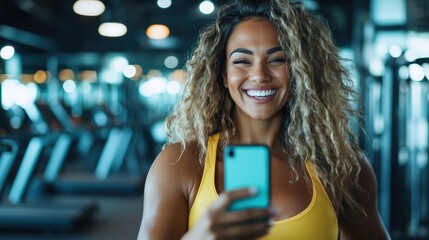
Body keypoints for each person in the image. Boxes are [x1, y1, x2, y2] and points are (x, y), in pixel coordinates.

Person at [138, 0, 390, 239]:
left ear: (300, 71)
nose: (259, 75)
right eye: (242, 61)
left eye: (277, 59)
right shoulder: (181, 163)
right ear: (223, 74)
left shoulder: (341, 167)